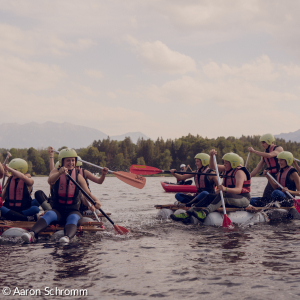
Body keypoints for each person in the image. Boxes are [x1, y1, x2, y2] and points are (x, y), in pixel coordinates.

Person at [21, 148, 101, 244]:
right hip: (57, 211)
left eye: (73, 160)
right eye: (68, 160)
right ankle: (32, 234)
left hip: (73, 211)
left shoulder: (79, 177)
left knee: (74, 218)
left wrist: (96, 202)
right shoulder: (55, 172)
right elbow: (50, 181)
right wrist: (60, 173)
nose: (71, 162)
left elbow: (88, 194)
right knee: (49, 214)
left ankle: (67, 237)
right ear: (62, 161)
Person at [184, 151, 251, 222]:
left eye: (226, 163)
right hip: (231, 197)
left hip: (243, 198)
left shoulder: (239, 172)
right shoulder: (227, 168)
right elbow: (213, 166)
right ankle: (189, 213)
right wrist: (211, 156)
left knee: (223, 195)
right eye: (224, 163)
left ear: (233, 163)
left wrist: (225, 188)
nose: (224, 165)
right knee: (210, 196)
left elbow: (238, 190)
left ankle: (204, 213)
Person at [169, 153, 218, 223]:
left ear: (204, 162)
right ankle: (191, 203)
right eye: (196, 161)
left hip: (207, 199)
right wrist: (173, 173)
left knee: (204, 193)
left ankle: (188, 205)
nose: (196, 163)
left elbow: (220, 187)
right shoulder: (195, 172)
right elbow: (182, 177)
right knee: (177, 195)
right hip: (197, 198)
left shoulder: (212, 173)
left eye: (197, 161)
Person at [248, 134, 283, 207]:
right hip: (271, 177)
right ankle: (267, 207)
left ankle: (278, 205)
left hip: (280, 177)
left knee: (273, 195)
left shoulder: (278, 149)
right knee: (266, 197)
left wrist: (254, 151)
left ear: (269, 141)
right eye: (261, 142)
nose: (262, 144)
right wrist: (247, 177)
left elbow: (270, 155)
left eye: (263, 142)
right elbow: (257, 169)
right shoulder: (264, 154)